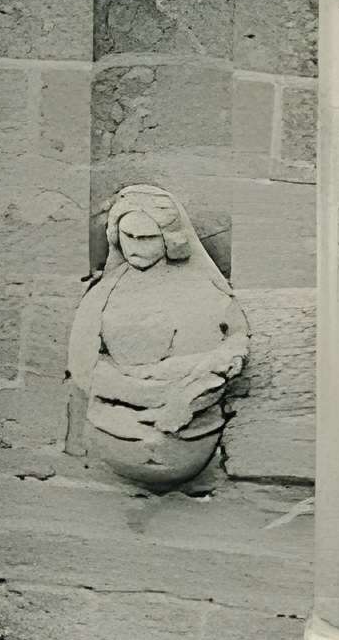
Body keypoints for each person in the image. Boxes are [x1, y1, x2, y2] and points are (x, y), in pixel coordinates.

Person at [66, 183, 249, 490]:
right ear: (117, 237)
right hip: (117, 424)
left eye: (148, 237)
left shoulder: (203, 291)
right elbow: (83, 364)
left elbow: (234, 343)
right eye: (129, 236)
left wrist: (184, 390)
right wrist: (142, 392)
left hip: (190, 434)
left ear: (169, 238)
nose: (137, 246)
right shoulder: (103, 296)